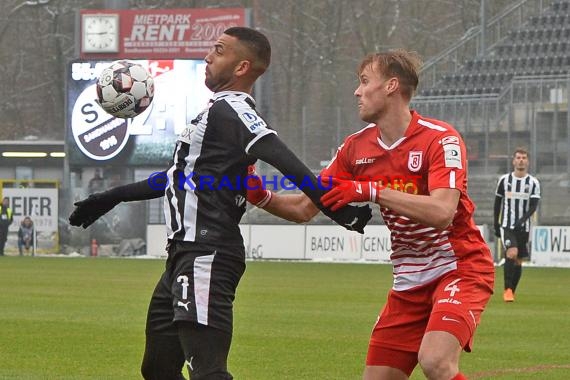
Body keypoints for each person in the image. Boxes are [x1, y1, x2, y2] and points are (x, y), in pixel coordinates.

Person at [69, 27, 371, 380]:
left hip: (206, 254)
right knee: (158, 368)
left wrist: (336, 210)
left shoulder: (232, 110)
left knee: (208, 371)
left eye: (219, 50)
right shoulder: (213, 115)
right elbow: (176, 177)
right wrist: (111, 197)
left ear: (242, 67)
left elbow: (281, 157)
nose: (208, 56)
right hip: (183, 257)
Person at [247, 49, 495, 380]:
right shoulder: (355, 148)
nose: (357, 91)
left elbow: (442, 212)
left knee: (435, 361)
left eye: (365, 82)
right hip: (408, 282)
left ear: (392, 86)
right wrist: (261, 196)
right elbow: (306, 208)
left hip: (459, 267)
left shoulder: (440, 138)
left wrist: (371, 190)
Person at [493, 148, 540, 302]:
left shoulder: (533, 182)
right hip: (507, 225)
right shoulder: (504, 180)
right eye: (518, 157)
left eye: (524, 158)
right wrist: (496, 223)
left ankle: (511, 290)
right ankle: (507, 289)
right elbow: (497, 202)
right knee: (511, 253)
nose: (521, 160)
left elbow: (533, 206)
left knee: (519, 259)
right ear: (513, 161)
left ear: (528, 161)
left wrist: (522, 220)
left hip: (523, 227)